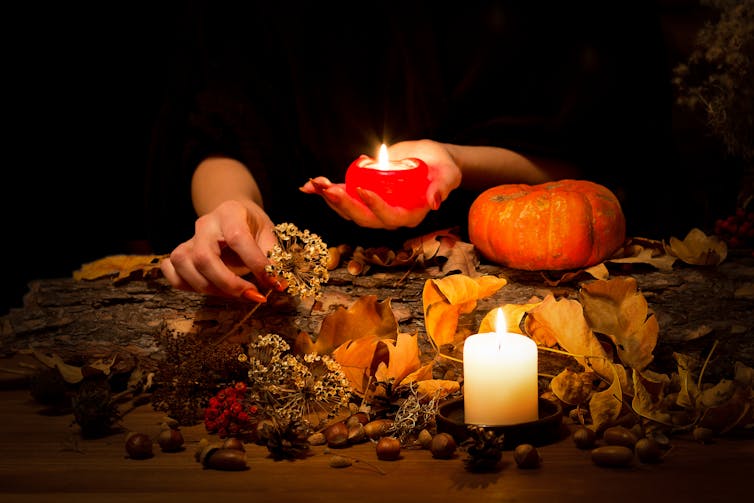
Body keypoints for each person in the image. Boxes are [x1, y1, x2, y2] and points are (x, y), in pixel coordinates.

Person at [150, 1, 676, 302]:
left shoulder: (531, 24)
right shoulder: (269, 22)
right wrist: (233, 210)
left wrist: (453, 160)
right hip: (302, 277)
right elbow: (221, 127)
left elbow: (586, 163)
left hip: (500, 277)